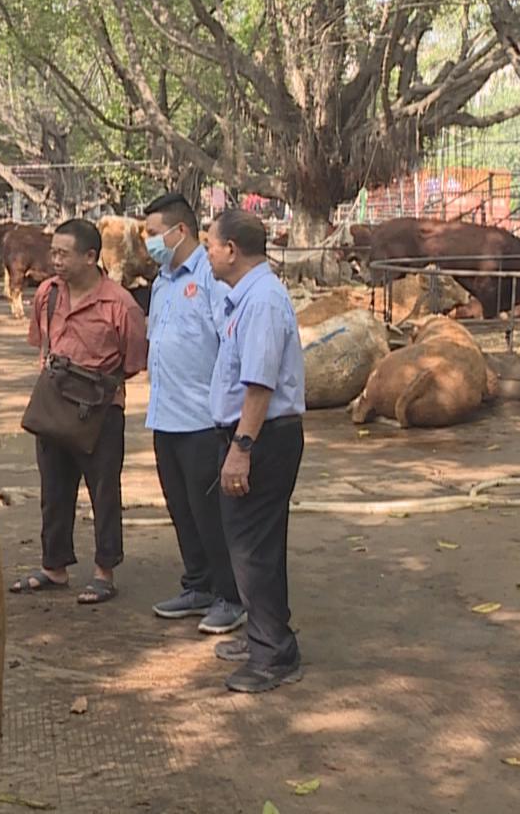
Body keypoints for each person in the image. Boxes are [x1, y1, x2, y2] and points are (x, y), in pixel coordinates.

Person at [9, 218, 148, 606]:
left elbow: (134, 361)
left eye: (64, 254)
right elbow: (40, 342)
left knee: (103, 491)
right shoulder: (48, 295)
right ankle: (54, 566)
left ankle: (105, 571)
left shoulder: (120, 304)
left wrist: (93, 383)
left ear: (91, 257)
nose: (55, 261)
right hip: (53, 405)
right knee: (53, 489)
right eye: (53, 252)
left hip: (100, 412)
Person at [204, 209, 306, 693]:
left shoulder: (262, 301)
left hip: (262, 437)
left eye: (209, 245)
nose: (207, 254)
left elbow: (260, 384)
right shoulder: (244, 298)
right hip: (255, 435)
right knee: (255, 544)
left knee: (252, 549)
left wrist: (242, 447)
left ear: (231, 249)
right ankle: (267, 633)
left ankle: (273, 655)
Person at [140, 193, 245, 636]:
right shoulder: (162, 281)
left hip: (203, 421)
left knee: (212, 515)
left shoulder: (211, 279)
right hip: (165, 417)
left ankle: (230, 595)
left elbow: (231, 346)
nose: (146, 241)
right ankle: (198, 584)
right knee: (181, 509)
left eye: (150, 232)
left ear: (178, 231)